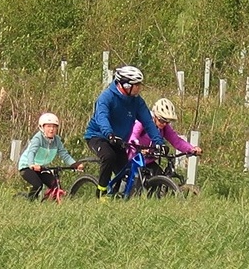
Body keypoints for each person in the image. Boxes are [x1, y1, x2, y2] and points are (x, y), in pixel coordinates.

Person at [84, 65, 166, 194]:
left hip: (119, 140)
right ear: (126, 85)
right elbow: (102, 117)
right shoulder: (106, 97)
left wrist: (158, 142)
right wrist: (109, 134)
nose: (139, 87)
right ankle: (101, 191)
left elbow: (148, 122)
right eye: (136, 85)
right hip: (98, 136)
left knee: (125, 172)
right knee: (109, 156)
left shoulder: (137, 101)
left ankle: (117, 197)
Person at [129, 98, 202, 176]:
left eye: (167, 122)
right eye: (162, 121)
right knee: (135, 183)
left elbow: (176, 141)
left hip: (148, 162)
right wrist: (138, 148)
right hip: (133, 159)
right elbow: (133, 136)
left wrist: (191, 149)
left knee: (159, 180)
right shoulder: (143, 122)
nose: (164, 124)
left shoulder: (164, 128)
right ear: (155, 116)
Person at [19, 113, 84, 200]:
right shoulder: (38, 138)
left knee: (55, 185)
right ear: (42, 127)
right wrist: (31, 164)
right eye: (48, 126)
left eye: (54, 126)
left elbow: (64, 154)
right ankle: (29, 204)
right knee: (38, 185)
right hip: (27, 166)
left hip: (41, 168)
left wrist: (75, 164)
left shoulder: (56, 140)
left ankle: (50, 204)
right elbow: (32, 152)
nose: (51, 129)